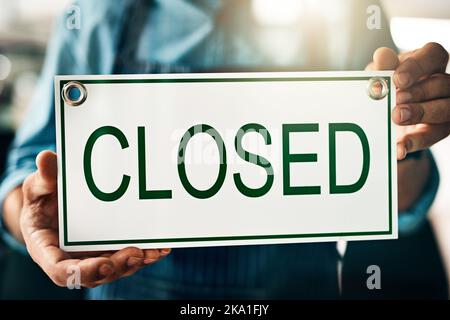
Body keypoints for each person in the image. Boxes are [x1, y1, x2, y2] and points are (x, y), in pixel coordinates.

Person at [0, 0, 449, 299]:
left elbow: (398, 192)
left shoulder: (343, 12)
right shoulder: (98, 12)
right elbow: (29, 170)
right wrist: (35, 213)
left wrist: (404, 136)